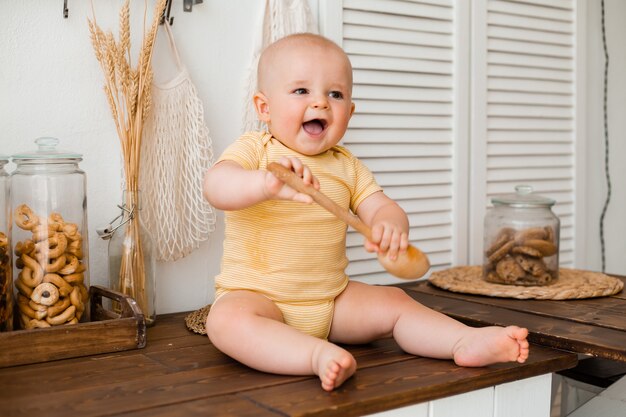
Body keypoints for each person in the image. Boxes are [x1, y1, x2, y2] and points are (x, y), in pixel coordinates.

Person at [203, 33, 529, 392]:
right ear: (264, 107)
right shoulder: (256, 151)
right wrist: (264, 185)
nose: (321, 104)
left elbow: (381, 207)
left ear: (350, 112)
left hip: (332, 302)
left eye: (335, 94)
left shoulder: (348, 167)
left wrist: (389, 226)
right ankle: (315, 356)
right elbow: (216, 186)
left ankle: (463, 341)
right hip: (260, 300)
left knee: (395, 301)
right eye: (301, 92)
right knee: (226, 321)